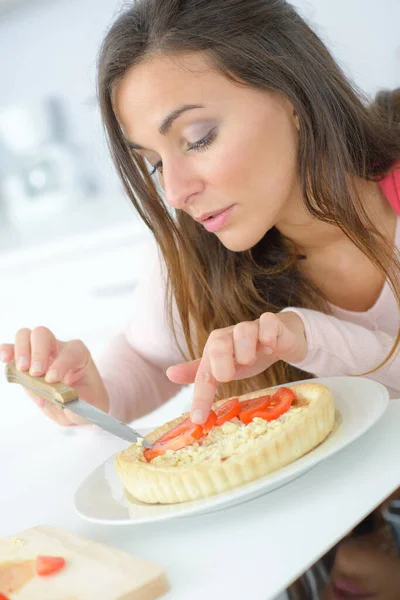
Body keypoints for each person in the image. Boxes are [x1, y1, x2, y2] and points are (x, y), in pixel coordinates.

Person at [0, 0, 399, 432]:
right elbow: (148, 356)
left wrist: (307, 337)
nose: (175, 191)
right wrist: (95, 394)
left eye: (199, 139)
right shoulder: (202, 246)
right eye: (154, 164)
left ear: (294, 94)